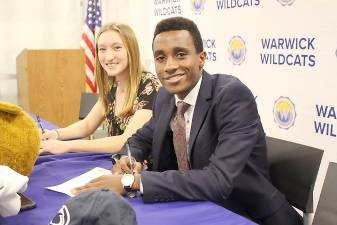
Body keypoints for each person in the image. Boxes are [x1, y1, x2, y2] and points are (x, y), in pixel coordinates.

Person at [72, 17, 303, 225]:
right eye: (161, 58)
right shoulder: (165, 96)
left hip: (245, 214)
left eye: (180, 54)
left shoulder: (232, 96)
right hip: (196, 207)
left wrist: (131, 181)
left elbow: (217, 180)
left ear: (202, 58)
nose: (170, 66)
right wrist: (128, 158)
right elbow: (140, 139)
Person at [40, 23, 160, 154]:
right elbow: (87, 125)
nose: (108, 57)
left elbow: (126, 141)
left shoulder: (149, 85)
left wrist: (67, 146)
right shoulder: (114, 86)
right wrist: (56, 134)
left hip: (142, 170)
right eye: (102, 49)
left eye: (117, 48)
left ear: (131, 50)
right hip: (117, 163)